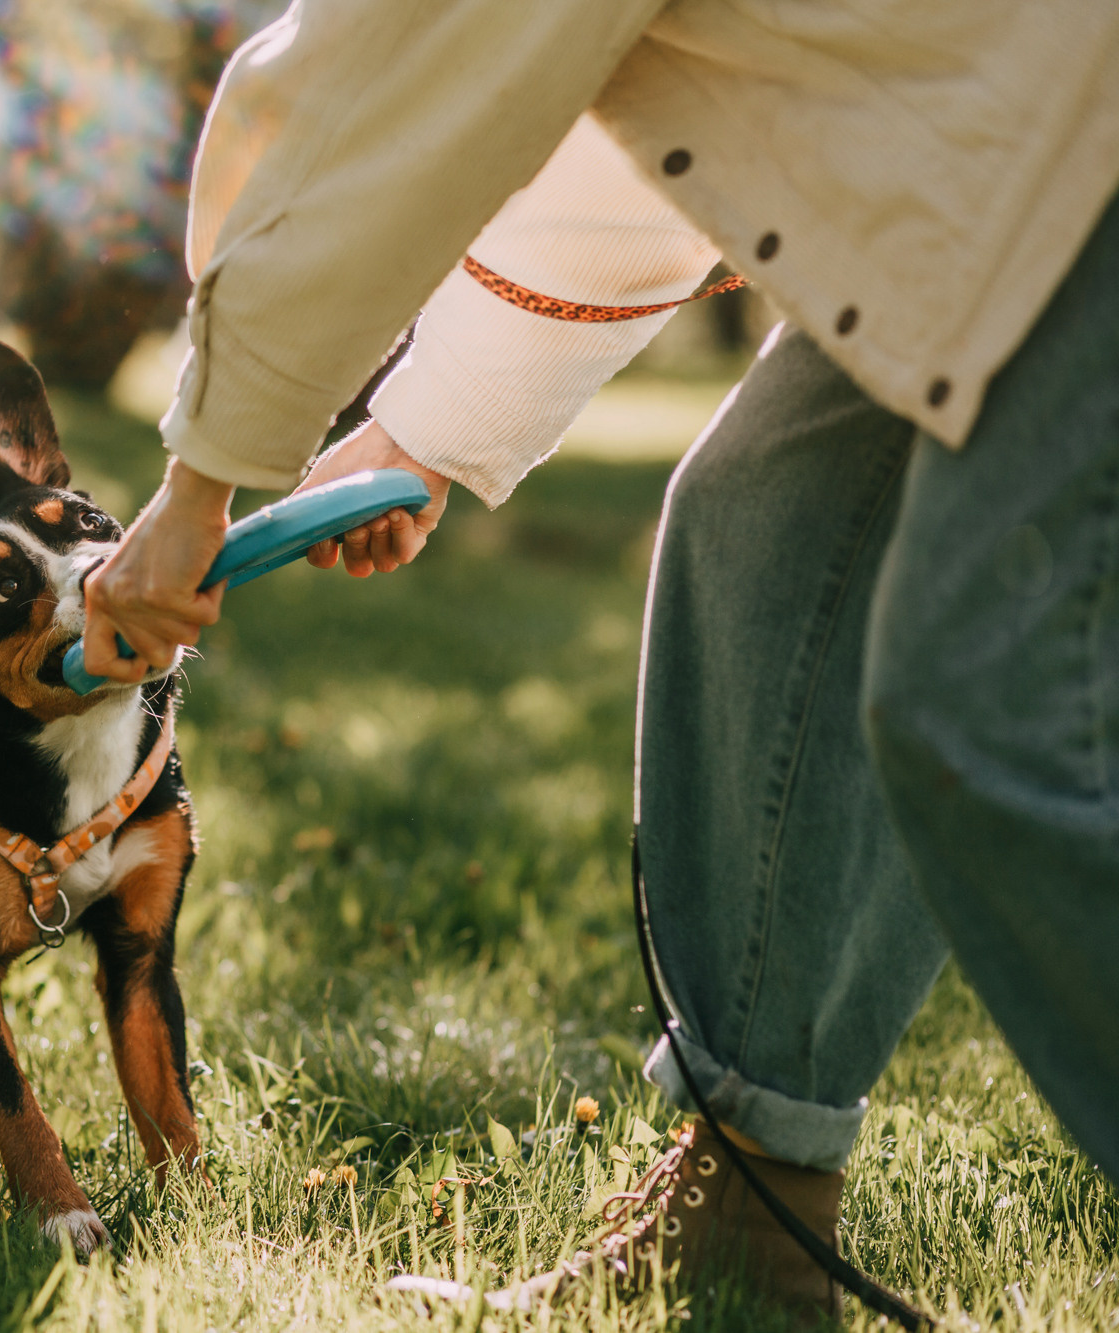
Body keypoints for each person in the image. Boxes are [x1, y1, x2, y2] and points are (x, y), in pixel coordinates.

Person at [81, 0, 1119, 1319]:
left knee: (995, 702)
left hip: (1074, 145)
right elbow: (648, 139)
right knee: (768, 530)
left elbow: (354, 109)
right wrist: (427, 425)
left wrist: (201, 483)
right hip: (996, 156)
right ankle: (754, 1210)